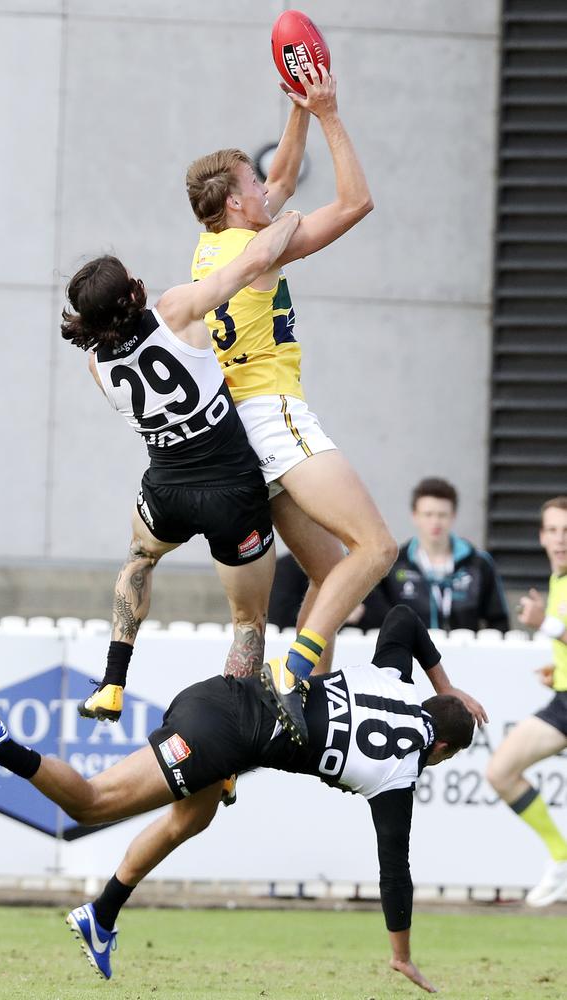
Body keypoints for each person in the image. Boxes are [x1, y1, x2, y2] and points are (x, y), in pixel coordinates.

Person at [0, 605, 485, 993]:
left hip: (223, 695)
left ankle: (101, 914)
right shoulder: (399, 775)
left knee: (194, 817)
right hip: (222, 737)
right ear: (439, 746)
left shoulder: (395, 678)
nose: (437, 763)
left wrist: (447, 686)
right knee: (91, 804)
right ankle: (3, 748)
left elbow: (404, 619)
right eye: (447, 756)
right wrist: (401, 954)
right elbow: (395, 874)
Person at [187, 62, 397, 743]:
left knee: (328, 571)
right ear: (239, 207)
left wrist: (298, 111)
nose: (271, 185)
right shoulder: (261, 249)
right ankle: (294, 670)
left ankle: (300, 704)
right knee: (376, 549)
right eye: (256, 183)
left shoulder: (213, 244)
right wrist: (332, 112)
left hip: (242, 434)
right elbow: (357, 202)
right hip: (274, 415)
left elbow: (280, 180)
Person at [60, 211, 301, 728]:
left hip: (165, 490)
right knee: (247, 622)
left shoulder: (95, 364)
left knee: (138, 560)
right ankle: (233, 744)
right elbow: (257, 258)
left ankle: (112, 681)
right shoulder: (174, 309)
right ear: (134, 291)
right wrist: (290, 217)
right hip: (232, 491)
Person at [487, 496, 567, 907]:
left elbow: (558, 628)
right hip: (564, 701)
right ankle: (561, 858)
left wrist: (546, 625)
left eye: (566, 531)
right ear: (541, 536)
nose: (560, 539)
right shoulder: (556, 581)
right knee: (501, 771)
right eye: (553, 530)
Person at [355, 477, 509, 633]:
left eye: (442, 515)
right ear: (415, 516)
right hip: (410, 654)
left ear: (453, 516)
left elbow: (499, 622)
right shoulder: (394, 564)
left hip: (464, 653)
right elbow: (379, 620)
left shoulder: (478, 564)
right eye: (428, 514)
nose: (435, 522)